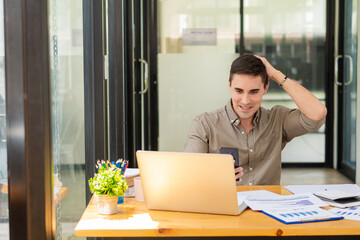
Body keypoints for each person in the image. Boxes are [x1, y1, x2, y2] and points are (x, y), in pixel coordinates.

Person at [184, 54, 327, 185]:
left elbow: (318, 113)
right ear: (230, 87)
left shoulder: (277, 120)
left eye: (254, 92)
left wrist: (277, 75)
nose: (245, 101)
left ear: (265, 88)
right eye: (239, 91)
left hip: (267, 209)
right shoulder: (204, 124)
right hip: (224, 206)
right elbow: (188, 172)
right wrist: (212, 175)